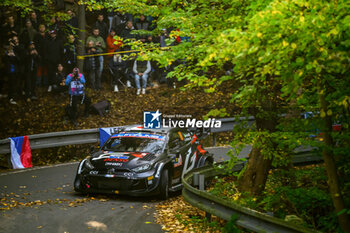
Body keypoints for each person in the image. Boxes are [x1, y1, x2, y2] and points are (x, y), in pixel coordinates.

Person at [4, 39, 21, 105]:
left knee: (15, 85)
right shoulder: (6, 53)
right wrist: (8, 55)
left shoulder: (15, 52)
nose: (11, 46)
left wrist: (14, 55)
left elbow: (19, 60)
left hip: (15, 71)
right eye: (10, 45)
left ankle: (13, 97)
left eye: (12, 45)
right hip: (9, 71)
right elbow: (5, 61)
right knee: (11, 85)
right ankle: (10, 98)